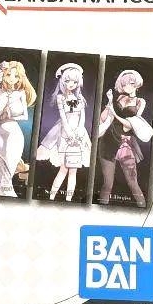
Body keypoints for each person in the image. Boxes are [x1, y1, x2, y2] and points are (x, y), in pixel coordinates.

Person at [0, 60, 37, 197]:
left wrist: (10, 115)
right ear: (3, 75)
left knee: (7, 175)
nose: (12, 78)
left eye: (16, 76)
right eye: (9, 74)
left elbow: (25, 116)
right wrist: (1, 115)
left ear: (20, 78)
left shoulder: (21, 93)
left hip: (13, 133)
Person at [36, 62, 92, 201]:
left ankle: (68, 199)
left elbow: (82, 117)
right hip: (65, 132)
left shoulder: (80, 98)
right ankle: (52, 197)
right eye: (67, 81)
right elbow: (63, 117)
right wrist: (70, 132)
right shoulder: (60, 97)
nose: (71, 84)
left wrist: (79, 130)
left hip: (79, 133)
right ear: (62, 81)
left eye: (74, 81)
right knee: (63, 168)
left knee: (73, 170)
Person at [96, 69, 152, 208]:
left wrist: (114, 113)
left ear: (136, 84)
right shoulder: (118, 98)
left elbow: (131, 124)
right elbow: (102, 118)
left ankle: (143, 210)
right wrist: (109, 103)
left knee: (133, 183)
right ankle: (100, 212)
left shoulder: (140, 102)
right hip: (108, 141)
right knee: (107, 184)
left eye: (131, 83)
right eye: (124, 84)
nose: (127, 86)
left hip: (127, 145)